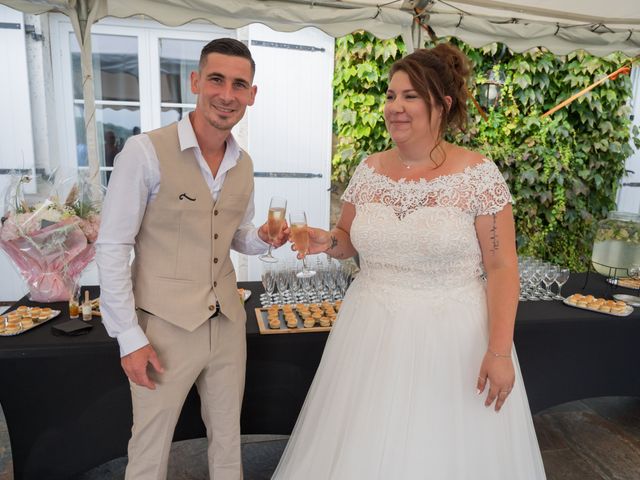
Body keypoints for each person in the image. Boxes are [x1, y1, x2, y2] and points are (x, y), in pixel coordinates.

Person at [272, 43, 546, 479]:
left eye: (409, 96)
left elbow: (502, 268)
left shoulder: (477, 176)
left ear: (443, 105)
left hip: (452, 340)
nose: (394, 107)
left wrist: (499, 351)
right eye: (390, 96)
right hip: (369, 334)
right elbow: (348, 240)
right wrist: (326, 241)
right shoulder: (369, 170)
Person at [96, 38, 287, 480]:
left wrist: (262, 238)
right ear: (196, 82)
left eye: (240, 85)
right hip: (163, 327)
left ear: (252, 95)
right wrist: (129, 337)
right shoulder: (144, 152)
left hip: (226, 322)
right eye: (217, 80)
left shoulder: (245, 163)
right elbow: (112, 247)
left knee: (227, 440)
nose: (227, 94)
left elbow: (232, 236)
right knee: (149, 447)